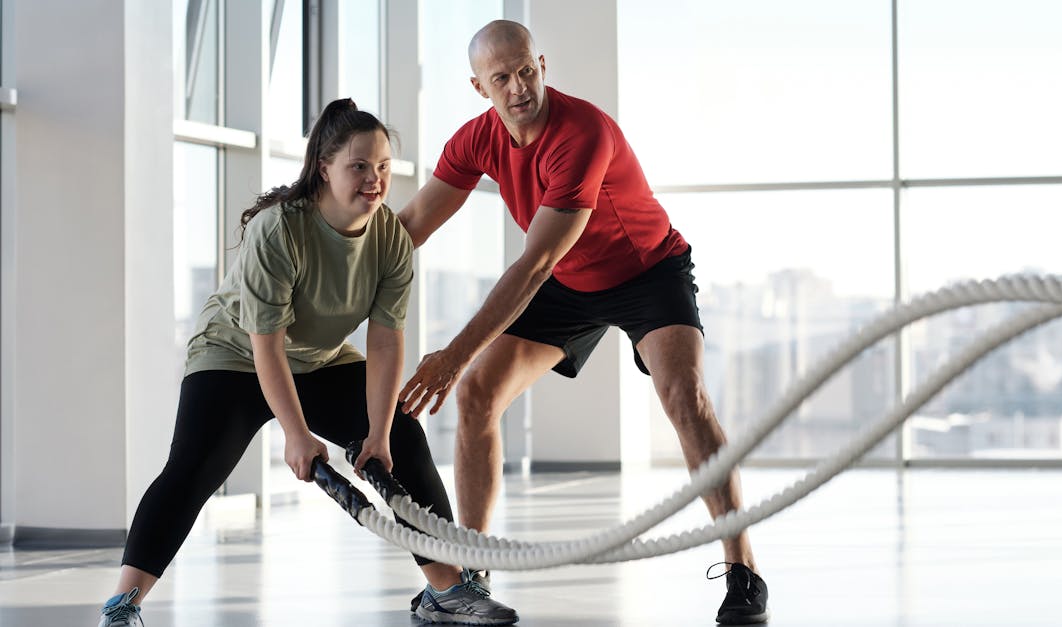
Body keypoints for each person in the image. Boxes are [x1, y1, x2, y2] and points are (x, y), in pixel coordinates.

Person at [396, 20, 769, 625]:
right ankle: (469, 578)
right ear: (478, 87)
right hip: (570, 282)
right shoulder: (474, 140)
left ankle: (743, 569)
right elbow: (409, 226)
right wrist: (329, 271)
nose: (518, 87)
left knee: (684, 397)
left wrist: (452, 352)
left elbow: (536, 262)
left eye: (526, 70)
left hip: (647, 271)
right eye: (501, 78)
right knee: (478, 396)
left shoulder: (582, 132)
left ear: (541, 64)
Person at [96, 99, 517, 627]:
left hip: (319, 359)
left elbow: (385, 341)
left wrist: (380, 433)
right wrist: (296, 434)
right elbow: (266, 344)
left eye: (383, 167)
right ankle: (122, 604)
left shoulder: (390, 238)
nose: (375, 180)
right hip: (235, 355)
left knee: (405, 439)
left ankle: (446, 592)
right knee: (193, 470)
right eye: (359, 166)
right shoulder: (279, 229)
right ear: (324, 167)